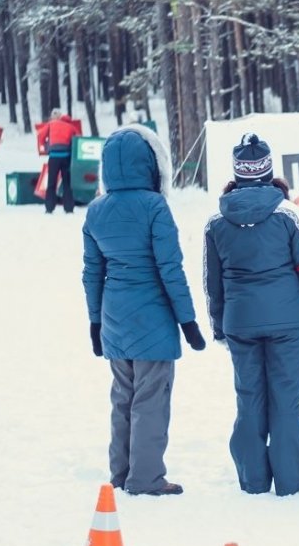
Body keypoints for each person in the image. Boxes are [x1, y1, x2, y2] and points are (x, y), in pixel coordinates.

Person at [204, 133, 299, 497]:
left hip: (240, 324)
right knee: (285, 402)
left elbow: (211, 282)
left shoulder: (216, 220)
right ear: (267, 171)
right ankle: (291, 483)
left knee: (249, 401)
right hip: (288, 324)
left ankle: (253, 480)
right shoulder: (288, 213)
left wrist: (219, 328)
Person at [82, 123, 206, 497]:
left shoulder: (96, 210)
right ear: (150, 164)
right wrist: (188, 321)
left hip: (115, 318)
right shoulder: (155, 206)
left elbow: (92, 272)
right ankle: (147, 478)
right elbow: (171, 268)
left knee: (123, 396)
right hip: (153, 319)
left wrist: (94, 321)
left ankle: (120, 473)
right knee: (150, 400)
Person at [43, 108, 80, 214]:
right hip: (66, 157)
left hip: (54, 157)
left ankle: (49, 207)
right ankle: (69, 207)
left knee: (51, 182)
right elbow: (78, 138)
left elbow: (41, 136)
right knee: (67, 182)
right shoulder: (71, 126)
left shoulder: (50, 124)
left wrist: (45, 146)